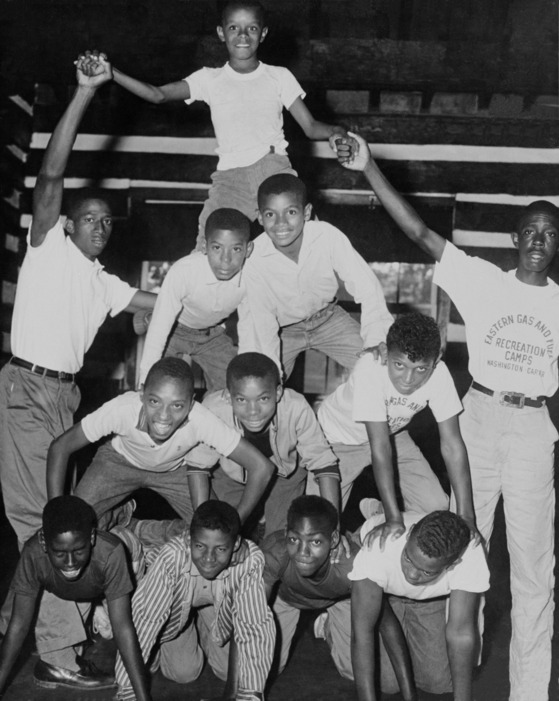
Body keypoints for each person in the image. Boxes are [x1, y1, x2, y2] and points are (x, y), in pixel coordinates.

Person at [338, 132, 559, 701]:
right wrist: (367, 167)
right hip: (480, 416)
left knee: (534, 570)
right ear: (515, 239)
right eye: (530, 231)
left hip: (534, 428)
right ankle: (464, 676)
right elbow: (416, 230)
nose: (538, 240)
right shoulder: (483, 279)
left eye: (549, 233)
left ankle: (529, 694)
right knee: (463, 545)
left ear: (557, 244)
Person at [0, 59, 155, 688]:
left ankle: (18, 616)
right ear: (67, 222)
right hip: (24, 386)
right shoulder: (47, 247)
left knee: (70, 509)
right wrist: (85, 93)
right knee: (43, 519)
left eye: (106, 223)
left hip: (65, 396)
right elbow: (54, 170)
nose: (99, 228)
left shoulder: (105, 282)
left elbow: (160, 305)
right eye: (89, 219)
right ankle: (55, 654)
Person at [78, 0, 350, 248]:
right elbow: (157, 94)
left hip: (272, 167)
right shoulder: (209, 79)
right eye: (234, 28)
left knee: (300, 239)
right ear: (221, 33)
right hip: (229, 176)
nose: (242, 36)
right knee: (208, 243)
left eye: (251, 28)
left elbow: (311, 126)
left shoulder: (278, 76)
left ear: (263, 34)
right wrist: (112, 73)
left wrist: (336, 132)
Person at [47, 357, 276, 530]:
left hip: (174, 470)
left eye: (177, 405)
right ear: (141, 393)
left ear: (191, 403)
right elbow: (60, 447)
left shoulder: (201, 419)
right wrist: (55, 514)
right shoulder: (121, 410)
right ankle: (116, 514)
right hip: (118, 462)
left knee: (211, 530)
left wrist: (235, 523)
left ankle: (139, 528)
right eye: (155, 401)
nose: (164, 416)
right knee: (71, 526)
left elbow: (262, 467)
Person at [314, 312, 478, 543]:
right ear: (385, 352)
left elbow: (452, 445)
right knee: (321, 524)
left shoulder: (440, 375)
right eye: (399, 364)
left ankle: (377, 517)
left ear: (437, 359)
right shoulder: (370, 369)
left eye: (421, 369)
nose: (408, 379)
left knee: (436, 506)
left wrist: (466, 516)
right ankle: (385, 515)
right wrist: (394, 519)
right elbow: (380, 449)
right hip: (336, 440)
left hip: (393, 434)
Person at [114, 500, 275, 701]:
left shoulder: (250, 560)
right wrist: (129, 692)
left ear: (236, 545)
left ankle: (208, 624)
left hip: (219, 606)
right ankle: (172, 637)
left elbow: (253, 624)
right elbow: (144, 620)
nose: (209, 558)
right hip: (173, 609)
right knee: (184, 673)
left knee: (230, 671)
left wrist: (248, 694)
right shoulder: (171, 557)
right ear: (188, 538)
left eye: (220, 549)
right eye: (199, 546)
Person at [237, 173, 394, 377]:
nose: (280, 223)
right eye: (270, 215)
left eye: (291, 212)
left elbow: (367, 287)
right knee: (262, 385)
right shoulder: (253, 259)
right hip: (283, 331)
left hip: (329, 320)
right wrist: (265, 374)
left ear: (307, 212)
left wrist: (375, 340)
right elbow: (259, 322)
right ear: (259, 217)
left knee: (378, 367)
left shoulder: (326, 236)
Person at [261, 496, 416, 701]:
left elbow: (387, 624)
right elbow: (251, 619)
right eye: (294, 539)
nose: (302, 552)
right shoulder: (274, 551)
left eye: (315, 541)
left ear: (334, 540)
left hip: (339, 598)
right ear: (286, 534)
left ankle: (326, 626)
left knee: (372, 677)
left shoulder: (352, 564)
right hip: (288, 599)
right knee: (262, 669)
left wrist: (411, 697)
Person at [0, 496, 151, 698]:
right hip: (78, 588)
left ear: (91, 538)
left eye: (79, 550)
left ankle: (140, 531)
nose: (70, 562)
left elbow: (123, 627)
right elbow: (18, 625)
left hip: (125, 563)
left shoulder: (111, 553)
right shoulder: (33, 553)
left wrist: (143, 697)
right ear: (44, 542)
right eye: (60, 553)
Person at [185, 352, 341, 537]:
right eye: (241, 400)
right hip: (230, 477)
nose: (253, 411)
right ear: (228, 396)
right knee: (222, 536)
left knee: (279, 543)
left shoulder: (296, 407)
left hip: (284, 478)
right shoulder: (213, 409)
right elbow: (197, 466)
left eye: (263, 399)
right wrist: (201, 526)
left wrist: (334, 529)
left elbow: (324, 464)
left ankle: (266, 524)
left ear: (278, 393)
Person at [350, 510, 489, 701]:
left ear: (453, 563)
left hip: (427, 598)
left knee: (439, 682)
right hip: (381, 591)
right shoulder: (378, 548)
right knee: (387, 684)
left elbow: (460, 634)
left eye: (426, 571)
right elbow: (362, 632)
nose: (412, 575)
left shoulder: (470, 556)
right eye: (408, 559)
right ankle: (329, 625)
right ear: (409, 533)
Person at [138, 207, 254, 392]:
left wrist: (248, 372)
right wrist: (145, 381)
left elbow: (250, 330)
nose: (226, 260)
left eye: (236, 249)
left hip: (212, 335)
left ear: (248, 249)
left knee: (237, 386)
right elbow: (160, 326)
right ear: (204, 247)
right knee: (159, 387)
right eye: (217, 248)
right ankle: (145, 317)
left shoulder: (252, 278)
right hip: (174, 330)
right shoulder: (184, 271)